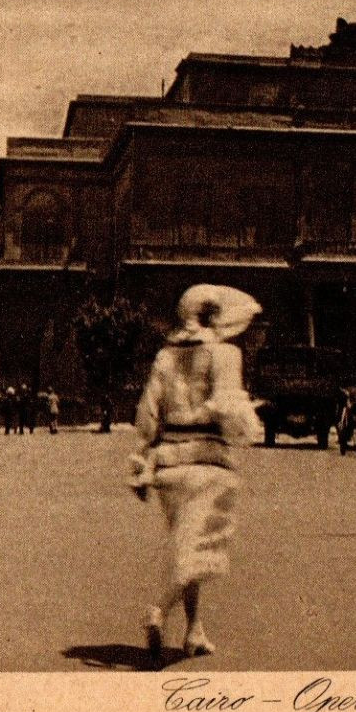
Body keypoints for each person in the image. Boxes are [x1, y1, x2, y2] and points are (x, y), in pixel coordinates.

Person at [130, 284, 262, 667]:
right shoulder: (225, 354)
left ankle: (194, 631)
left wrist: (141, 463)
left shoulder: (165, 357)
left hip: (169, 465)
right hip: (209, 464)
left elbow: (147, 415)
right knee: (198, 551)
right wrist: (245, 422)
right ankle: (158, 610)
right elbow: (231, 411)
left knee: (187, 546)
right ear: (211, 316)